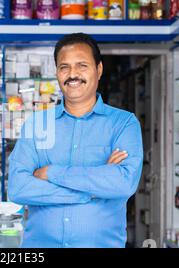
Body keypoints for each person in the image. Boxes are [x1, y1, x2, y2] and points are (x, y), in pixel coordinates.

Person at [8, 32, 143, 248]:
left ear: (98, 70)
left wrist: (52, 172)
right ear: (57, 73)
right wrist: (91, 190)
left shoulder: (123, 123)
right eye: (64, 67)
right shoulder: (37, 125)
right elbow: (18, 188)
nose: (73, 74)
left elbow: (123, 182)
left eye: (81, 65)